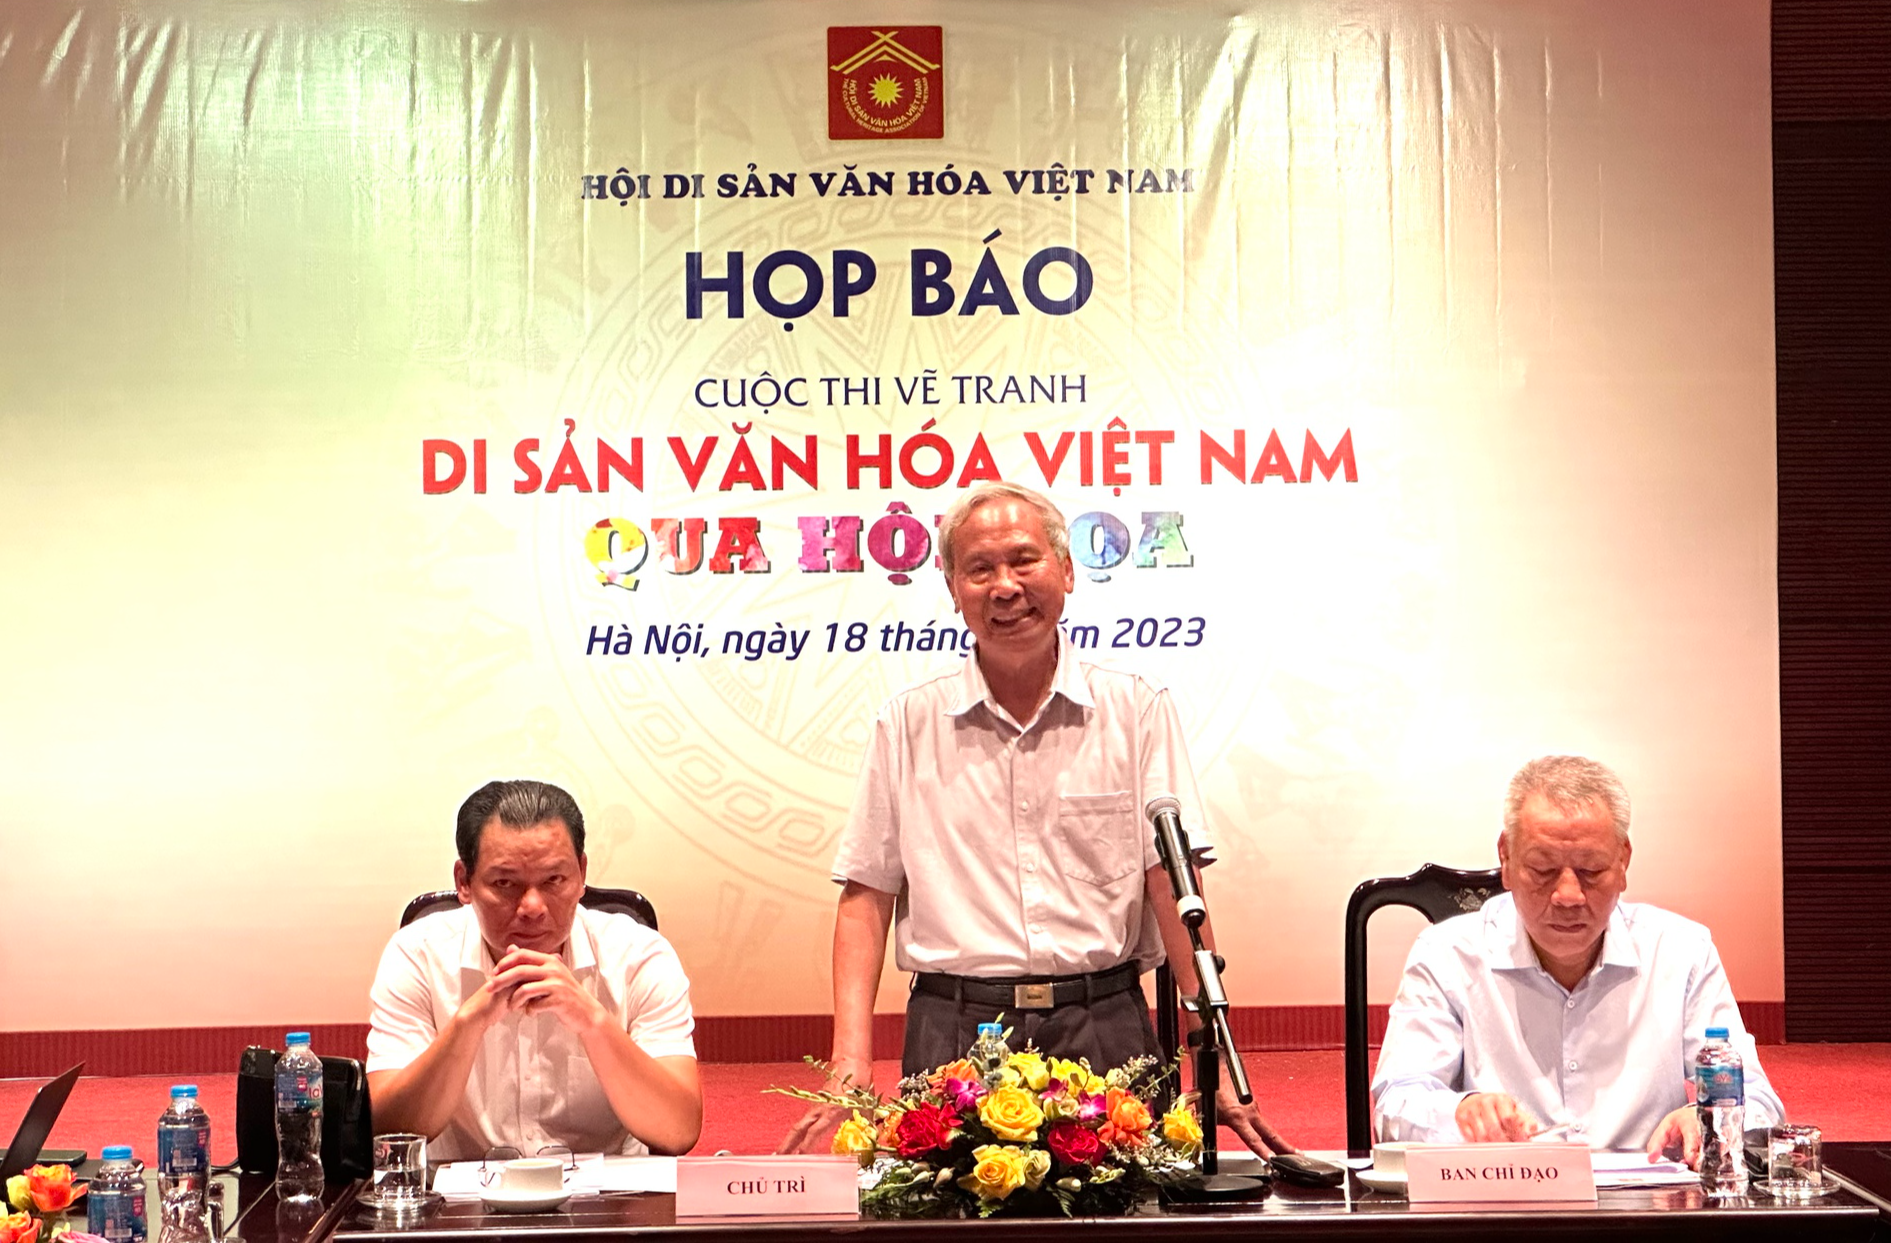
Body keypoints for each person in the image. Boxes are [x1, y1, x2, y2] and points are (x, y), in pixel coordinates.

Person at [782, 481, 1290, 1156]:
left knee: (1125, 1213)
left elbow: (1171, 885)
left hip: (1104, 1024)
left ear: (1067, 570)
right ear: (952, 587)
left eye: (1024, 560)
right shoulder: (906, 723)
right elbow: (866, 894)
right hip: (954, 1032)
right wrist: (850, 1058)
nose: (1005, 587)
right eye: (980, 569)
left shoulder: (1135, 710)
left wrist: (1214, 1052)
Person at [1371, 755, 1783, 1164]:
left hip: (1649, 1200)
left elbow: (1759, 1100)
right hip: (1503, 1196)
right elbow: (1397, 1101)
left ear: (1623, 861)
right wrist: (1460, 1113)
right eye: (1542, 869)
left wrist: (1709, 1117)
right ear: (1506, 859)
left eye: (1591, 870)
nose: (1568, 896)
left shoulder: (1681, 951)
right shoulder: (1447, 956)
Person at [366, 779, 702, 1159]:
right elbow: (386, 1132)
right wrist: (467, 1025)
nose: (532, 907)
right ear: (464, 882)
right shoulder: (416, 955)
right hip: (457, 1191)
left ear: (581, 874)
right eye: (505, 883)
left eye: (554, 880)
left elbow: (678, 1130)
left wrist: (592, 1020)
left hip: (610, 1192)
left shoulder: (639, 956)